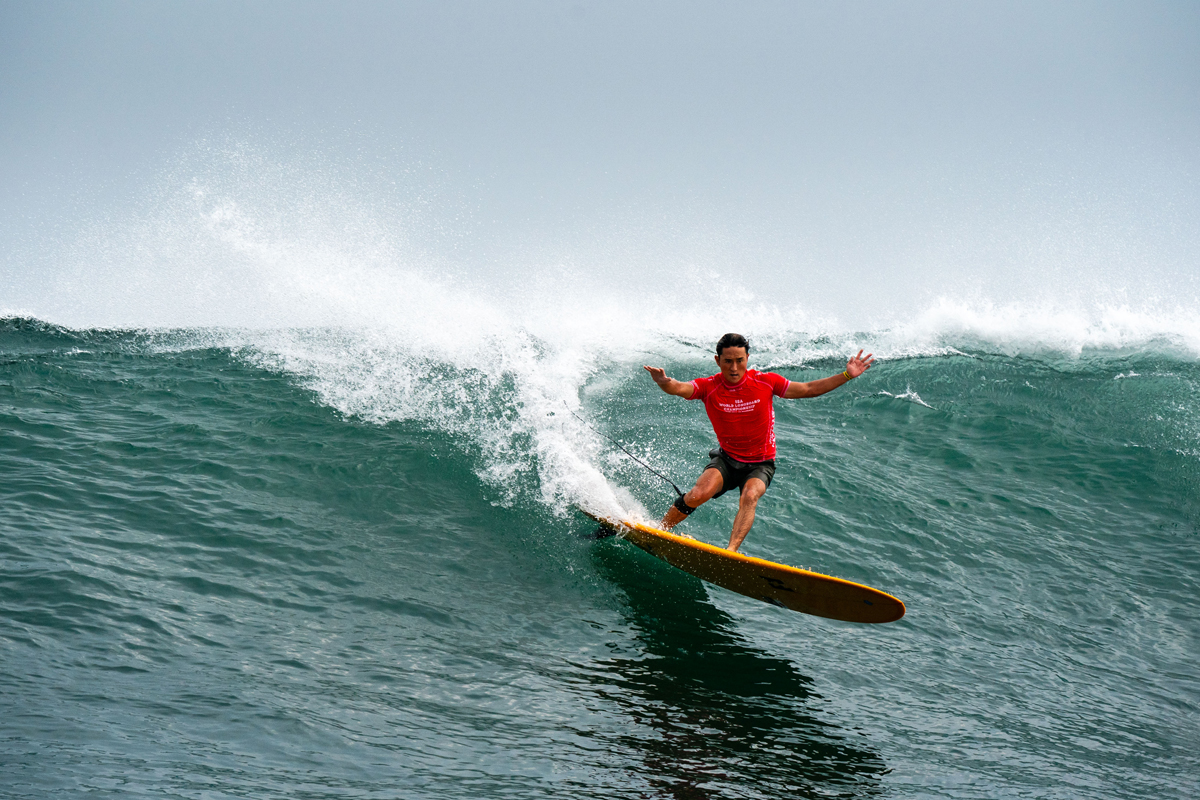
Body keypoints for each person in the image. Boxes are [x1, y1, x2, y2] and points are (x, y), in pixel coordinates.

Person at [643, 333, 873, 552]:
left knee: (750, 496)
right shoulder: (709, 387)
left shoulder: (765, 382)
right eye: (728, 361)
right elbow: (680, 388)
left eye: (740, 361)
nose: (734, 368)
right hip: (727, 458)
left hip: (761, 464)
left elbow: (809, 389)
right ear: (717, 360)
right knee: (697, 494)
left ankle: (730, 551)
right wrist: (664, 382)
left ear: (747, 359)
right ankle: (658, 531)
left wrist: (846, 375)